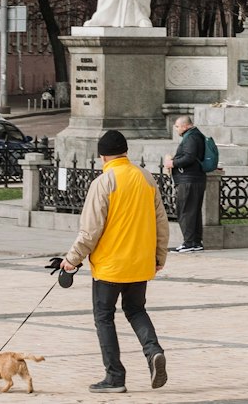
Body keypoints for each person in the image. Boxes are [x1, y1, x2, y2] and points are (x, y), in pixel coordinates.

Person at [62, 129, 168, 393]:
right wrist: (159, 255)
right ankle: (153, 352)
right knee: (136, 310)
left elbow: (90, 230)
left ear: (102, 156)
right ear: (125, 152)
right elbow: (161, 222)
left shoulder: (104, 182)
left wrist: (71, 260)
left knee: (104, 317)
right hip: (140, 262)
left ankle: (115, 376)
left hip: (110, 266)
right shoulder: (145, 177)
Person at [165, 115, 207, 252]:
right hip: (194, 179)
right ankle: (195, 242)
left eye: (177, 126)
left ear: (186, 126)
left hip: (189, 180)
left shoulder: (191, 137)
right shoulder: (194, 135)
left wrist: (173, 163)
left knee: (185, 210)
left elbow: (189, 157)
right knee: (193, 211)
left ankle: (189, 243)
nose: (176, 129)